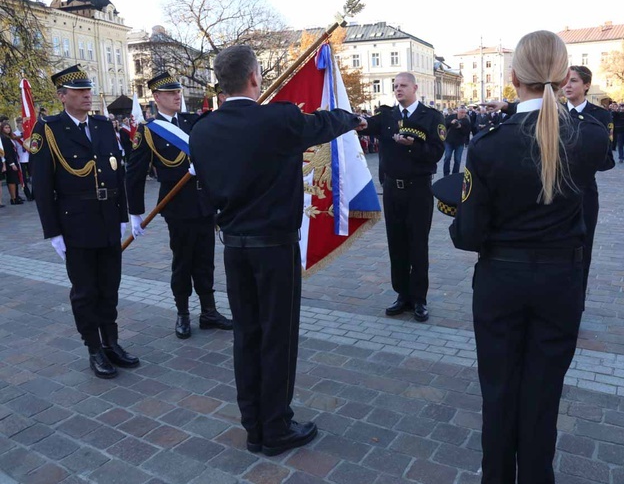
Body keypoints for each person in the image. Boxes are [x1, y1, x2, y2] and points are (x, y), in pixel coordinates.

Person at [451, 30, 611, 484]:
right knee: (543, 393)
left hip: (501, 279)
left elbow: (468, 234)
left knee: (499, 390)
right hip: (561, 280)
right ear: (564, 79)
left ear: (514, 76)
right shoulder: (591, 138)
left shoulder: (488, 144)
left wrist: (455, 214)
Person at [189, 44, 366, 457]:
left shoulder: (202, 130)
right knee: (277, 337)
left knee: (247, 336)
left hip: (233, 247)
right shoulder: (279, 118)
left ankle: (254, 425)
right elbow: (323, 123)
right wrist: (352, 118)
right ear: (254, 77)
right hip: (273, 248)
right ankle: (277, 426)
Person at [30, 65, 138, 379]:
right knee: (85, 291)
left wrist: (121, 216)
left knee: (110, 287)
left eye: (88, 90)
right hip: (75, 224)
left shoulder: (104, 125)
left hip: (106, 221)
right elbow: (41, 184)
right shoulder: (48, 129)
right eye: (79, 91)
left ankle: (112, 343)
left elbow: (117, 173)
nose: (87, 95)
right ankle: (94, 348)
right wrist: (53, 233)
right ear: (63, 96)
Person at [487, 64, 615, 307]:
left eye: (574, 81)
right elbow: (528, 111)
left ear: (586, 85)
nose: (568, 86)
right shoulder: (554, 110)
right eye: (566, 81)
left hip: (583, 192)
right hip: (553, 189)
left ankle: (577, 301)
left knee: (581, 250)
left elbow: (607, 160)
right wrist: (505, 106)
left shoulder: (599, 117)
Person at [125, 72, 233, 339]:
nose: (177, 96)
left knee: (205, 260)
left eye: (178, 92)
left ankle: (209, 311)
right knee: (183, 261)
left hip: (204, 203)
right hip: (177, 205)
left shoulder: (192, 122)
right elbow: (135, 173)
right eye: (171, 93)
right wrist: (135, 213)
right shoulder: (148, 131)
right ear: (157, 97)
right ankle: (183, 313)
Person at [359, 73, 445, 322]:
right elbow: (364, 125)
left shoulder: (431, 117)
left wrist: (412, 145)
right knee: (396, 244)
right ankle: (402, 295)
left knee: (418, 245)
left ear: (415, 88)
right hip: (392, 190)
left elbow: (436, 153)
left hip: (418, 190)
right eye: (395, 86)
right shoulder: (387, 116)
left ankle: (419, 299)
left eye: (403, 86)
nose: (398, 90)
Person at [442, 106, 471, 176]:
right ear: (458, 112)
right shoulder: (451, 117)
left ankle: (455, 174)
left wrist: (460, 127)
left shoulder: (466, 120)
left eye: (464, 113)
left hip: (460, 143)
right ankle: (446, 174)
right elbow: (444, 124)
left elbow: (467, 132)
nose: (463, 114)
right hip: (449, 141)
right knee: (447, 157)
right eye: (461, 112)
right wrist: (451, 122)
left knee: (457, 160)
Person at [1, 122, 23, 205]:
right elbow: (6, 152)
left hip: (14, 159)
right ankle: (13, 198)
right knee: (12, 180)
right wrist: (12, 163)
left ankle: (16, 196)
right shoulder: (4, 138)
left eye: (9, 127)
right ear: (2, 129)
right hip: (10, 162)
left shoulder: (9, 137)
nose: (8, 129)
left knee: (15, 179)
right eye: (6, 128)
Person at [13, 117, 34, 201]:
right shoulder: (14, 134)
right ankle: (28, 195)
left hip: (29, 157)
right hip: (20, 159)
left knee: (33, 177)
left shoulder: (28, 133)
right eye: (19, 123)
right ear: (17, 124)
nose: (21, 125)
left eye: (22, 123)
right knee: (23, 179)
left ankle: (34, 194)